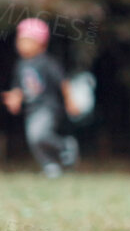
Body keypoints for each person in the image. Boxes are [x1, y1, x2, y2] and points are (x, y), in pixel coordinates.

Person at [4, 17, 79, 178]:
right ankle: (50, 166)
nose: (21, 44)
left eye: (26, 40)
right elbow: (19, 88)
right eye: (20, 40)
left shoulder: (47, 63)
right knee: (33, 139)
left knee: (38, 135)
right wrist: (15, 98)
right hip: (31, 109)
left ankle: (64, 146)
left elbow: (63, 83)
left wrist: (70, 101)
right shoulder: (21, 65)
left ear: (40, 43)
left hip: (47, 107)